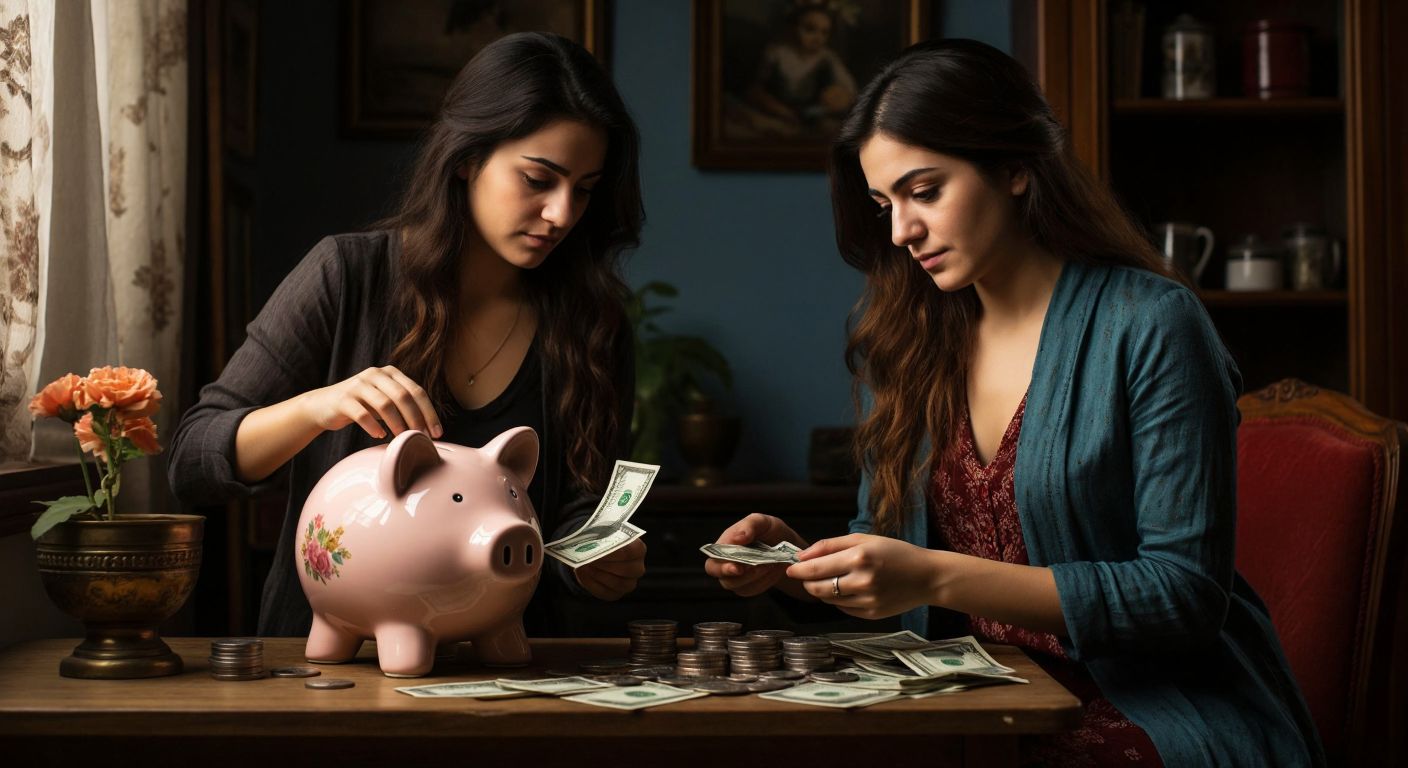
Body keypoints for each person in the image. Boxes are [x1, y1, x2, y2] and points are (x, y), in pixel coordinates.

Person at [705, 39, 1323, 767]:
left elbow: (1182, 597)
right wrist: (800, 567)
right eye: (884, 205)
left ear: (1016, 168)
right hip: (968, 700)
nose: (902, 231)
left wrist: (934, 572)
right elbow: (889, 548)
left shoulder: (1151, 324)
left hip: (1146, 705)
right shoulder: (909, 338)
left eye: (924, 191)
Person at [169, 32, 646, 638]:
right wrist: (320, 407)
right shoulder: (347, 275)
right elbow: (192, 461)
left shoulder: (592, 324)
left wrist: (595, 561)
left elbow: (575, 518)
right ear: (468, 158)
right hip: (330, 662)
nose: (561, 214)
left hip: (506, 669)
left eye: (584, 189)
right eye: (537, 179)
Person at [739, 1, 857, 137]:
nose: (818, 38)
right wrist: (782, 111)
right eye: (810, 29)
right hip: (776, 111)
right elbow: (755, 90)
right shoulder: (776, 53)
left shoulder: (827, 57)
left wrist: (839, 97)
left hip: (812, 114)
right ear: (792, 27)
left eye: (824, 32)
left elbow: (850, 89)